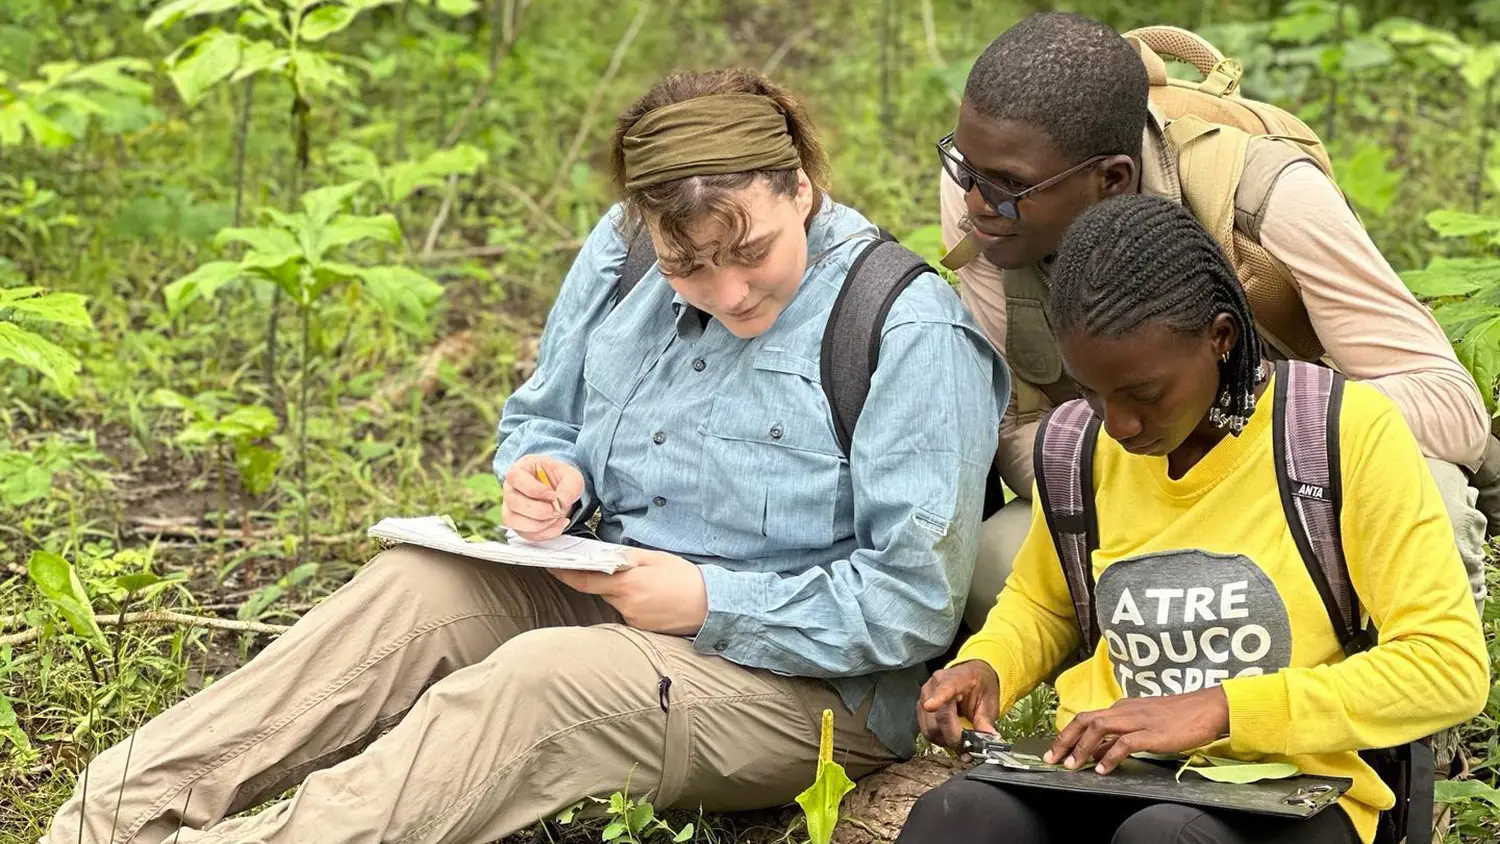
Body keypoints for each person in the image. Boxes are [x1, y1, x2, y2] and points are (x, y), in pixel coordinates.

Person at [43, 69, 1009, 844]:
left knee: (544, 679)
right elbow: (544, 418)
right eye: (688, 268)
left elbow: (911, 603)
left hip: (798, 694)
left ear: (801, 185)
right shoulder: (624, 250)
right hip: (611, 591)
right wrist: (551, 477)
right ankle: (104, 818)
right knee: (415, 586)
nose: (726, 292)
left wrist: (710, 602)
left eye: (750, 252)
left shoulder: (905, 327)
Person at [898, 194, 1488, 844]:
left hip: (1292, 790)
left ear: (1220, 338)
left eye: (1145, 394)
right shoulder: (1079, 446)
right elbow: (1044, 605)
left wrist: (1219, 710)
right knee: (957, 819)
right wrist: (986, 668)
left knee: (1166, 837)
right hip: (1112, 771)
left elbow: (1446, 666)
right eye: (1091, 389)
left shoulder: (1337, 432)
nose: (1118, 424)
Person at [937, 12, 1491, 635]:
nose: (976, 202)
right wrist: (1156, 485)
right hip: (1139, 481)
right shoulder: (985, 195)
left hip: (1303, 486)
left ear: (1113, 179)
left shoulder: (1267, 195)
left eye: (1009, 184)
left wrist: (1229, 428)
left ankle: (1401, 722)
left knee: (1434, 504)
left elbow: (1452, 410)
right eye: (965, 166)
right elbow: (1021, 430)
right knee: (991, 568)